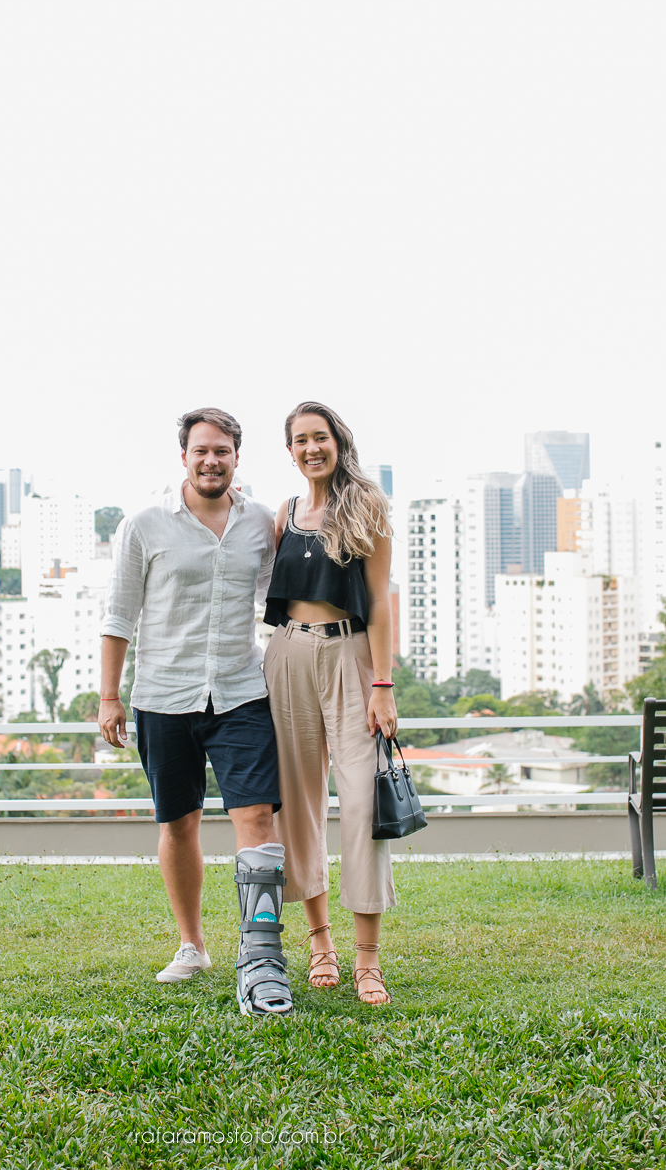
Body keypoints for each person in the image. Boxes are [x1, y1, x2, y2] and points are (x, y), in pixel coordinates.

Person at [98, 407, 293, 1016]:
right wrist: (108, 697)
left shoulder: (260, 522)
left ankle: (261, 953)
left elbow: (279, 602)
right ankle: (192, 945)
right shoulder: (144, 525)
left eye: (222, 451)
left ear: (237, 457)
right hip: (163, 695)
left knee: (256, 816)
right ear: (183, 456)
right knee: (178, 823)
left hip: (242, 692)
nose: (212, 461)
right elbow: (119, 614)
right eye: (201, 451)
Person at [262, 401, 397, 1006]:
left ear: (337, 442)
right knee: (297, 806)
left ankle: (368, 957)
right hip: (288, 654)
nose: (311, 448)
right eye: (300, 440)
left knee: (363, 803)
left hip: (351, 657)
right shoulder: (285, 514)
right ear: (290, 450)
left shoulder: (368, 507)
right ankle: (320, 942)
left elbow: (380, 600)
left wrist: (383, 685)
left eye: (320, 437)